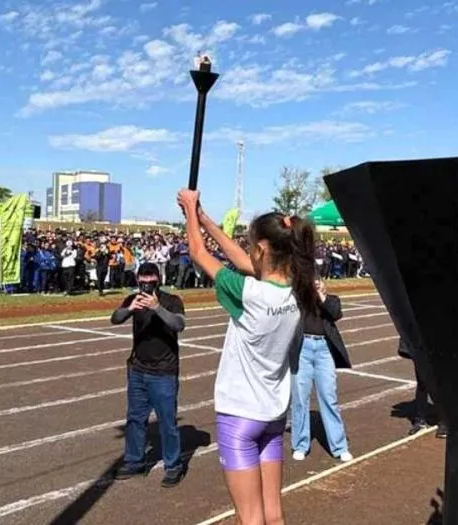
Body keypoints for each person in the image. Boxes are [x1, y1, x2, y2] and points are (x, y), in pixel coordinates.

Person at [177, 188, 316, 525]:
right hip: (272, 415)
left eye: (252, 244)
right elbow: (242, 260)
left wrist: (191, 210)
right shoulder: (298, 288)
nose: (248, 251)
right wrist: (202, 218)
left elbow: (197, 253)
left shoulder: (250, 293)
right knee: (273, 514)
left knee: (250, 518)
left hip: (239, 416)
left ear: (263, 249)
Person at [111, 262, 188, 487]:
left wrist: (157, 308)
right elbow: (115, 319)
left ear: (158, 278)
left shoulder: (172, 301)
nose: (146, 283)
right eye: (143, 279)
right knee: (135, 419)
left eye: (150, 278)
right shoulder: (133, 299)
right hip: (137, 370)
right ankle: (135, 461)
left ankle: (173, 465)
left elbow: (179, 325)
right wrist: (129, 309)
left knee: (167, 422)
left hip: (164, 372)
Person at [290, 278, 354, 462]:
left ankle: (339, 447)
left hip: (324, 349)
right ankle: (300, 444)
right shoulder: (299, 300)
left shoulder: (331, 300)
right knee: (300, 399)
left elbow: (336, 313)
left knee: (329, 397)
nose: (315, 284)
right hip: (303, 349)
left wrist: (320, 295)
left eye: (318, 281)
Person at [400, 338, 449, 438]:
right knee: (422, 384)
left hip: (439, 348)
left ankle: (444, 421)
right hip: (420, 347)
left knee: (441, 383)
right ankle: (420, 420)